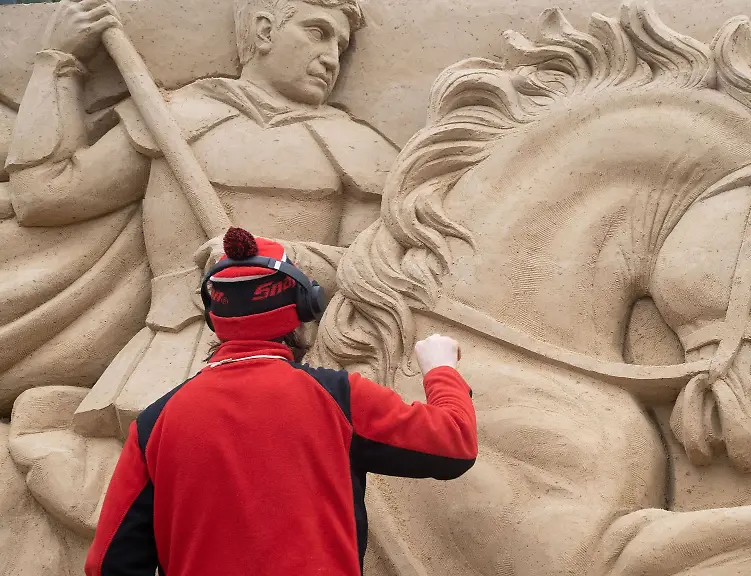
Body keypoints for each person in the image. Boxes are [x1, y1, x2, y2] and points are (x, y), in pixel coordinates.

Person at [4, 0, 397, 432]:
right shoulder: (174, 116)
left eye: (341, 46)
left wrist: (283, 257)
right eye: (318, 32)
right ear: (265, 31)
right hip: (174, 351)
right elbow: (46, 194)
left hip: (299, 356)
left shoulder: (359, 150)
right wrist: (58, 64)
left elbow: (371, 267)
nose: (331, 58)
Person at [84, 227, 477, 575]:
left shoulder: (155, 423)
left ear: (213, 316)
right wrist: (440, 369)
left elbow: (109, 564)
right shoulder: (339, 398)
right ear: (303, 306)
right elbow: (454, 444)